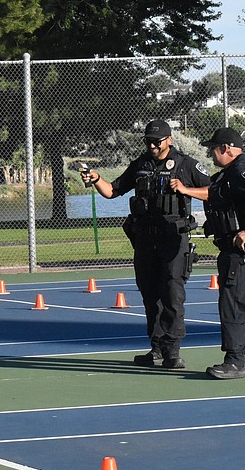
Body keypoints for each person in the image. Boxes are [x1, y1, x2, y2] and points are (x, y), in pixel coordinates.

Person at [81, 119, 211, 370]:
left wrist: (185, 189)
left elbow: (212, 190)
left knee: (172, 294)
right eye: (148, 141)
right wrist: (97, 178)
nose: (152, 145)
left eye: (157, 141)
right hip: (145, 240)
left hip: (173, 239)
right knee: (150, 295)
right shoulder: (141, 164)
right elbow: (111, 191)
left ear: (169, 140)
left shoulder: (186, 165)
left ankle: (173, 350)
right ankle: (156, 349)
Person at [171, 127, 245, 380]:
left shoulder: (241, 170)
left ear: (226, 148)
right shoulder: (229, 173)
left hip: (243, 248)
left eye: (213, 149)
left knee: (233, 301)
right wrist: (185, 190)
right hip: (235, 246)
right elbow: (214, 193)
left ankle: (235, 361)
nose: (211, 154)